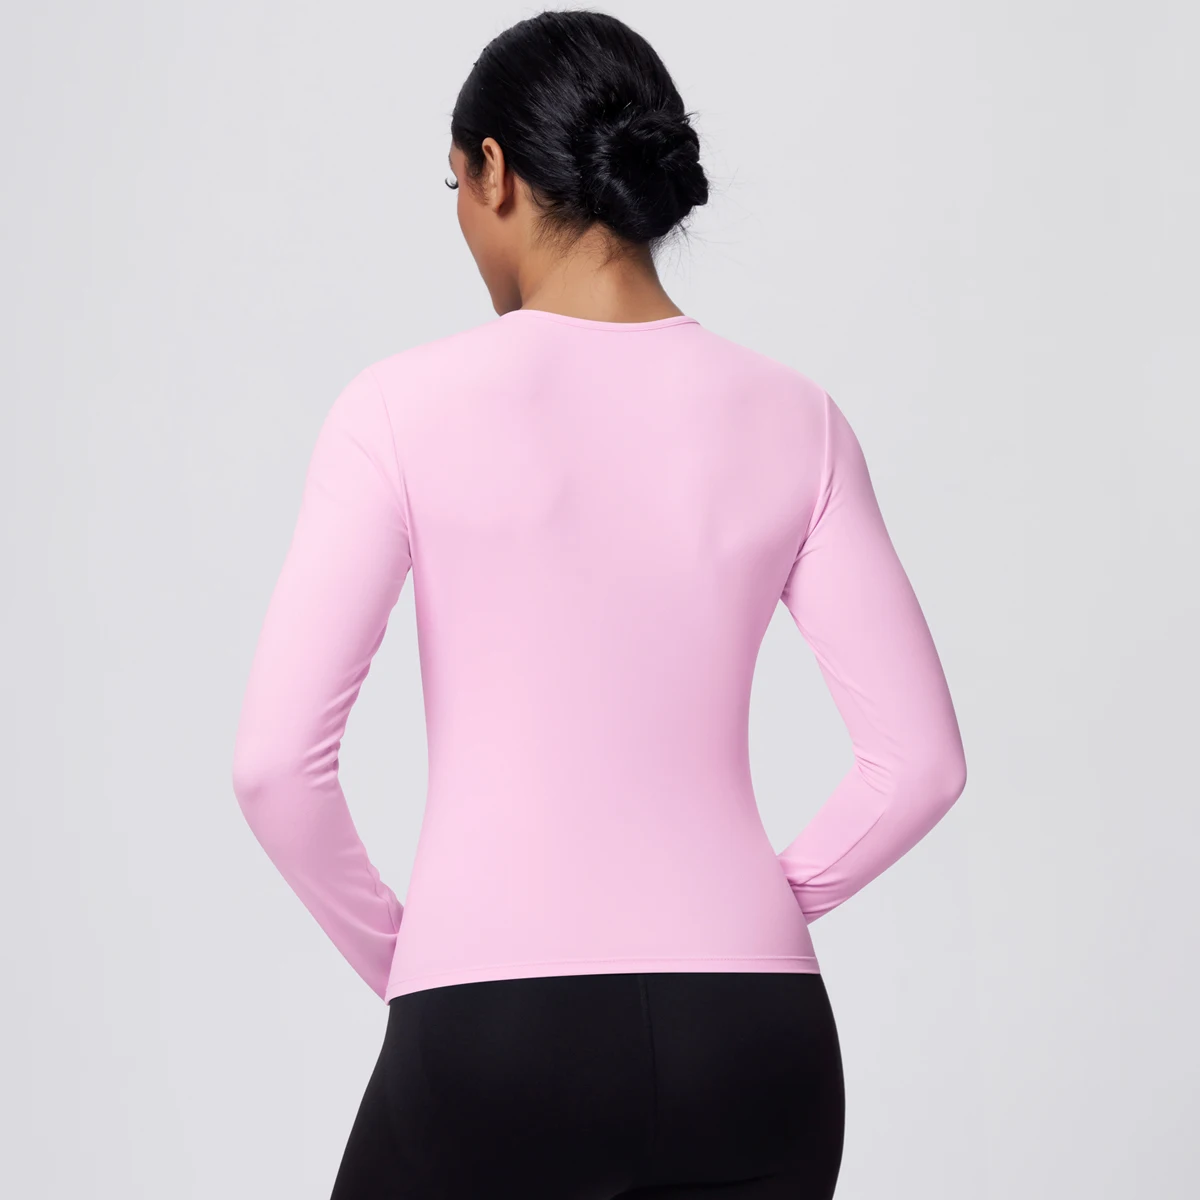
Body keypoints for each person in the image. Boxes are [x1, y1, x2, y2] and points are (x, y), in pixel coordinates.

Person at [230, 9, 968, 1198]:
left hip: (492, 1035)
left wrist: (410, 958)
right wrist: (763, 906)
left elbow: (275, 768)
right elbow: (921, 766)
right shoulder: (799, 418)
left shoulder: (397, 410)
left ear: (494, 173)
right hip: (758, 1044)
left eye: (456, 186)